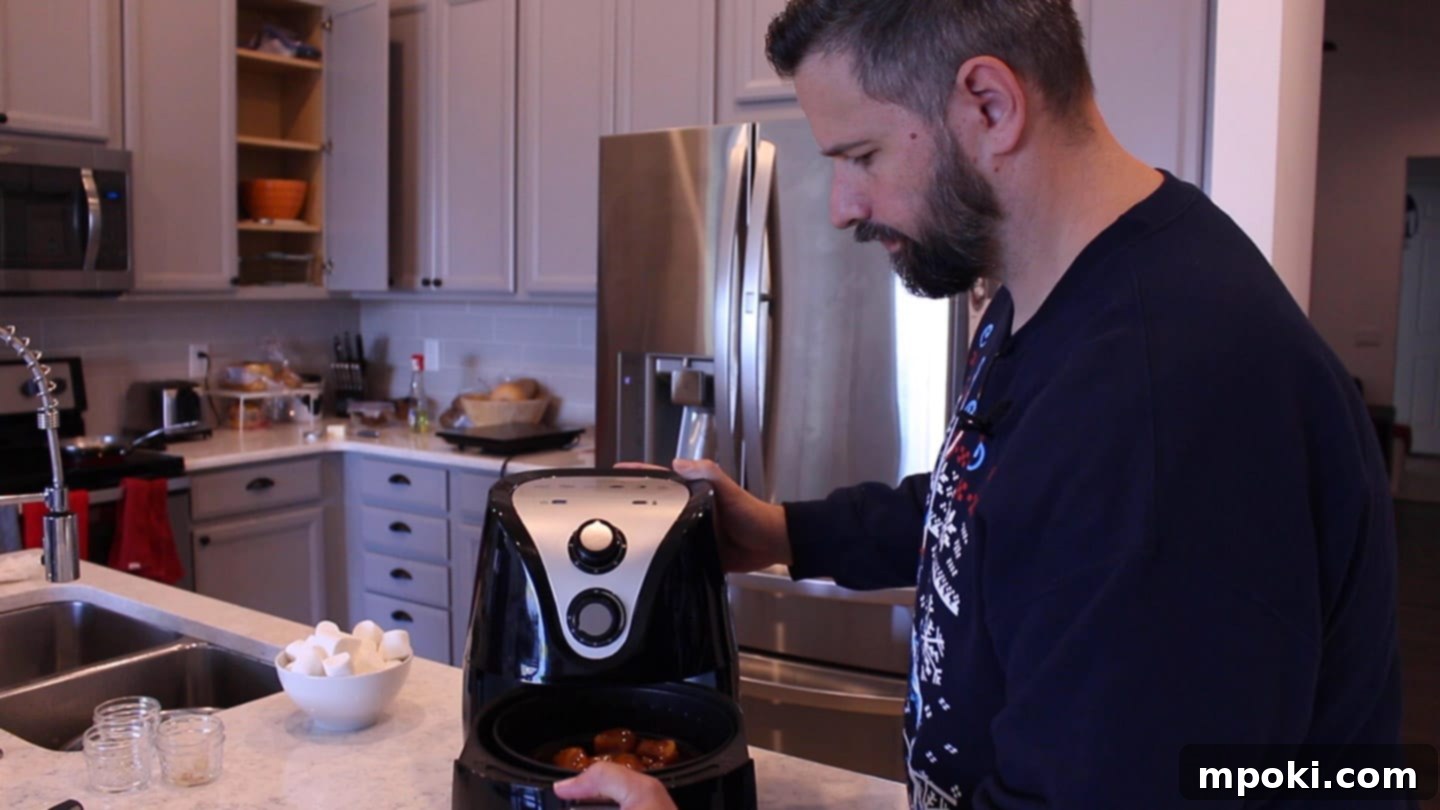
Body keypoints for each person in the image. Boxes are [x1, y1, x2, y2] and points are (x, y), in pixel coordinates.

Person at [556, 0, 1405, 807]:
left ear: (990, 105)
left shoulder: (1167, 401)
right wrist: (785, 533)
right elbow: (991, 504)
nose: (843, 206)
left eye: (861, 156)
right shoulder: (1043, 296)